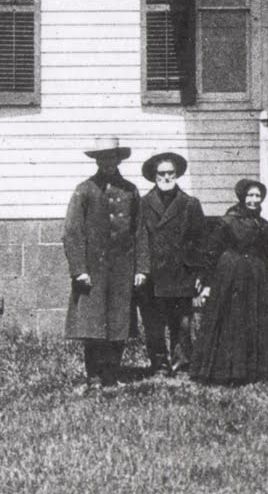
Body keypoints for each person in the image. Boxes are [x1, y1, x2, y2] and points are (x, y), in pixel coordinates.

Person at [63, 136, 142, 392]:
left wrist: (141, 268)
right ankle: (94, 376)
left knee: (118, 323)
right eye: (103, 158)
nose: (108, 162)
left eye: (112, 157)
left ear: (119, 160)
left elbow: (139, 232)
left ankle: (111, 375)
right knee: (93, 325)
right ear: (97, 161)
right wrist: (79, 269)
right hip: (93, 271)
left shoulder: (130, 190)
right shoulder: (84, 190)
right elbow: (72, 232)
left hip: (122, 270)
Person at [191, 178, 268, 385]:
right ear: (242, 197)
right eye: (250, 195)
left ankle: (252, 371)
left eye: (258, 196)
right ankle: (225, 371)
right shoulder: (228, 221)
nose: (254, 200)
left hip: (255, 278)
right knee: (231, 320)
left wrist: (263, 273)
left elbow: (266, 254)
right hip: (230, 276)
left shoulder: (264, 225)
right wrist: (207, 282)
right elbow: (212, 252)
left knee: (252, 319)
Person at [135, 150, 205, 377]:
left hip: (180, 273)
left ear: (177, 175)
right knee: (154, 324)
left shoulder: (190, 204)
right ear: (153, 176)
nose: (166, 177)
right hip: (152, 275)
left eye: (170, 173)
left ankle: (181, 364)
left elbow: (200, 242)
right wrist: (141, 269)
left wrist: (199, 274)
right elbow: (139, 238)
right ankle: (160, 366)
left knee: (182, 324)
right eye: (161, 173)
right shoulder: (143, 204)